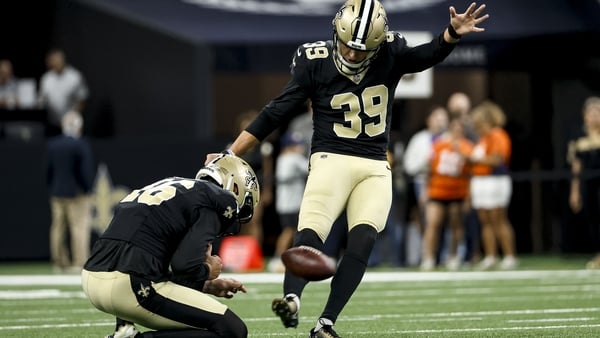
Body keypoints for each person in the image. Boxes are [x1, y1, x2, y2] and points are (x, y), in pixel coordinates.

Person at [205, 1, 489, 336]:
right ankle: (292, 300)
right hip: (331, 158)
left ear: (379, 43)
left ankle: (326, 323)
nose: (353, 55)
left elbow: (427, 54)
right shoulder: (315, 61)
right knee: (310, 234)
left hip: (374, 164)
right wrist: (230, 152)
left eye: (362, 49)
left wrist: (453, 33)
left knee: (363, 241)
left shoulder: (390, 53)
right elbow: (275, 112)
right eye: (347, 46)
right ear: (335, 33)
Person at [82, 153, 260, 338]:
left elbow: (145, 257)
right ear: (235, 188)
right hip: (129, 285)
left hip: (92, 279)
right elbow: (184, 265)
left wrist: (204, 285)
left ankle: (125, 332)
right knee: (232, 331)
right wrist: (208, 270)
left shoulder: (173, 188)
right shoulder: (219, 198)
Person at [468, 100, 518, 270]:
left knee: (499, 219)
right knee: (485, 221)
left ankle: (510, 256)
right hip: (481, 180)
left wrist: (474, 159)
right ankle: (491, 256)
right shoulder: (483, 138)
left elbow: (498, 159)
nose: (477, 128)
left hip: (495, 180)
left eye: (479, 124)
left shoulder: (498, 135)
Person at [420, 116, 474, 271]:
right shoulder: (439, 145)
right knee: (433, 224)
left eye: (460, 129)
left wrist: (469, 197)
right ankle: (428, 257)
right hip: (438, 190)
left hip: (458, 191)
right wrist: (425, 189)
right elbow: (429, 168)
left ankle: (453, 255)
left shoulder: (467, 147)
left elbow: (471, 169)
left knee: (456, 225)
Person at [46, 110, 95, 273]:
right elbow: (85, 171)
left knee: (57, 228)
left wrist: (53, 188)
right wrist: (87, 189)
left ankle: (59, 262)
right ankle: (79, 261)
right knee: (79, 227)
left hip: (57, 192)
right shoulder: (80, 144)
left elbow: (48, 171)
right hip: (77, 193)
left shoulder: (53, 144)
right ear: (78, 127)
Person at [403, 105, 450, 242]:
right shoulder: (419, 139)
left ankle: (449, 256)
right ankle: (428, 256)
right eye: (437, 118)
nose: (440, 121)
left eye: (443, 118)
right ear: (428, 120)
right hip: (423, 182)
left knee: (450, 221)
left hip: (448, 183)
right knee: (429, 220)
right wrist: (426, 162)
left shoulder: (450, 139)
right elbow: (409, 166)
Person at [268, 131, 310, 272]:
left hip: (284, 202)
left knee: (290, 231)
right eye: (296, 145)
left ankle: (284, 258)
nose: (300, 148)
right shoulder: (293, 158)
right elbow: (309, 168)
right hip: (292, 202)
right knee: (290, 231)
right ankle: (278, 258)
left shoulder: (282, 158)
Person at [567, 96, 600, 269]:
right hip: (587, 182)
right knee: (593, 217)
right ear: (584, 115)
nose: (595, 116)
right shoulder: (578, 135)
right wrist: (575, 191)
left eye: (598, 112)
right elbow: (576, 164)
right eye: (591, 112)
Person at [38, 48, 89, 137]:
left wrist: (73, 117)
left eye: (57, 59)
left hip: (71, 124)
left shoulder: (75, 76)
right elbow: (42, 99)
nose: (55, 62)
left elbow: (82, 98)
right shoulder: (46, 78)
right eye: (52, 60)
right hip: (52, 123)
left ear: (63, 59)